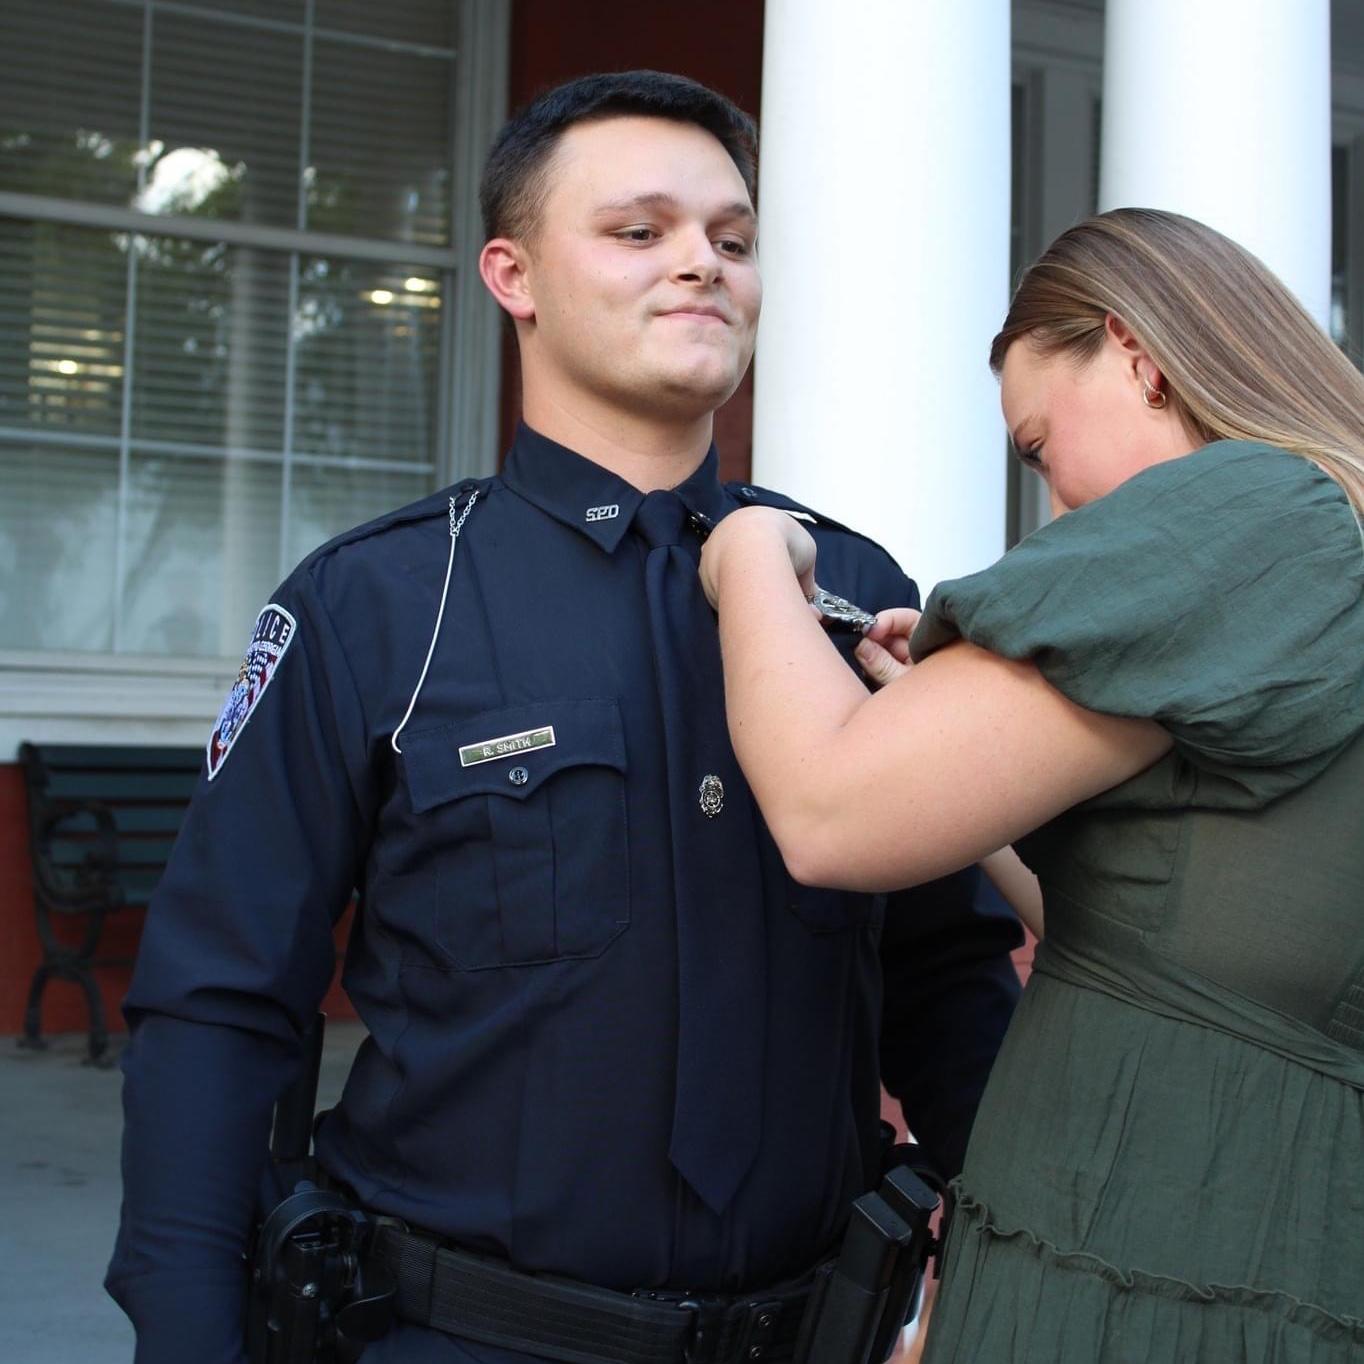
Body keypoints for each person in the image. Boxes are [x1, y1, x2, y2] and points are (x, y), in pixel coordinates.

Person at [106, 71, 1022, 1364]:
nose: (704, 263)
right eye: (640, 232)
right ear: (512, 275)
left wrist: (1025, 1270)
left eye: (735, 238)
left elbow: (948, 976)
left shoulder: (859, 590)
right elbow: (221, 1005)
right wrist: (188, 1330)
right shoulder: (381, 604)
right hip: (457, 1334)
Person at [700, 207, 1364, 1362]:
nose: (1054, 504)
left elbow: (827, 813)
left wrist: (749, 551)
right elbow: (1160, 935)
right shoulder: (1321, 545)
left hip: (1164, 1266)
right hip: (1208, 1253)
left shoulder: (1255, 511)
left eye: (1036, 445)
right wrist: (966, 746)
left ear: (1137, 356)